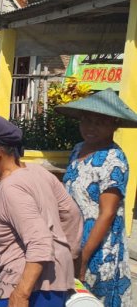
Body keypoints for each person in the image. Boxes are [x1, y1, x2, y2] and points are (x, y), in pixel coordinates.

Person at [0, 116, 83, 307]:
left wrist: (21, 293)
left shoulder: (10, 188)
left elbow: (39, 240)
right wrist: (67, 260)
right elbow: (72, 215)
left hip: (27, 288)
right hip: (56, 284)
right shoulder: (39, 172)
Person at [56, 88, 135, 307]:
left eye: (100, 122)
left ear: (114, 124)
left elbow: (107, 213)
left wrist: (85, 254)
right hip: (72, 240)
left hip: (99, 248)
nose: (91, 127)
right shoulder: (78, 149)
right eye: (86, 120)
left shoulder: (113, 159)